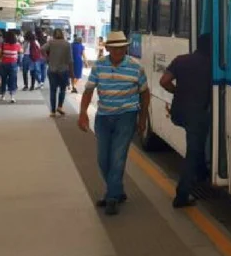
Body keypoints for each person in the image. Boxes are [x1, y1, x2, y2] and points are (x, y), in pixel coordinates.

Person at [78, 31, 149, 216]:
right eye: (114, 48)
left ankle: (111, 197)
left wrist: (142, 119)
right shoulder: (99, 66)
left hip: (127, 115)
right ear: (108, 48)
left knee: (117, 156)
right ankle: (117, 191)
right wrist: (83, 113)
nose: (118, 51)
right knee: (103, 159)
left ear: (126, 48)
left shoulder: (136, 67)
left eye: (121, 48)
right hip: (103, 117)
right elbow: (89, 90)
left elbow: (145, 93)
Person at [160, 33, 213, 208]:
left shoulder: (181, 60)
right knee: (193, 152)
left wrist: (177, 92)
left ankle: (201, 175)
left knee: (197, 147)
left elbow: (164, 81)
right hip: (197, 114)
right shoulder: (211, 65)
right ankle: (182, 195)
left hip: (179, 112)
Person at [42, 29, 73, 117]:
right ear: (62, 34)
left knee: (53, 90)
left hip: (52, 70)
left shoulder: (51, 42)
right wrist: (71, 73)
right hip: (63, 70)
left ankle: (52, 111)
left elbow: (42, 49)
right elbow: (70, 60)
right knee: (62, 90)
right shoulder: (67, 44)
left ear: (54, 35)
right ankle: (60, 107)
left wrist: (46, 58)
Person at [0, 30, 21, 103]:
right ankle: (12, 97)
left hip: (4, 64)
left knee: (3, 79)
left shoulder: (3, 44)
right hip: (13, 64)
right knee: (12, 80)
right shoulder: (17, 44)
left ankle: (3, 95)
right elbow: (21, 51)